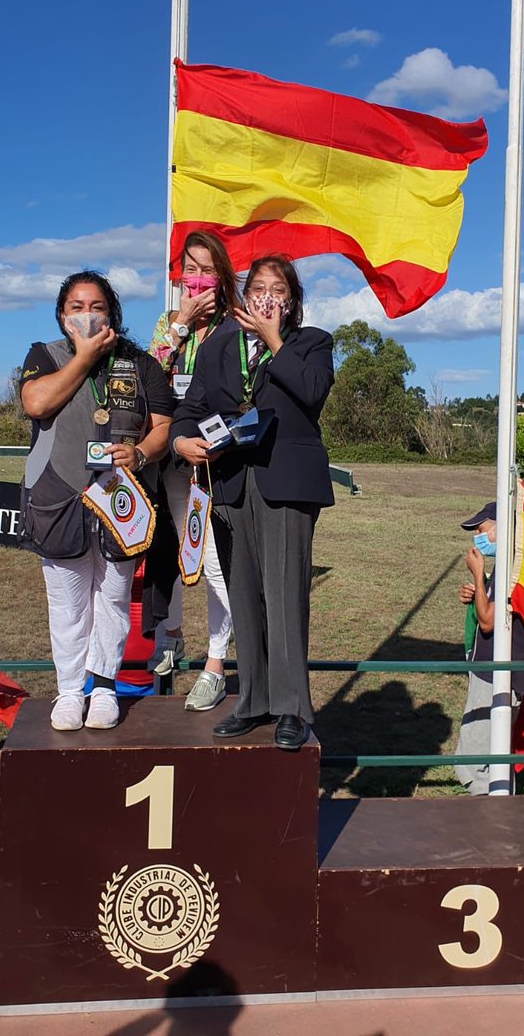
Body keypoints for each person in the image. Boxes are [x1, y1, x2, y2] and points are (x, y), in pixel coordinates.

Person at [170, 254, 334, 750]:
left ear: (291, 300)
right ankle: (254, 701)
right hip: (231, 483)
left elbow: (311, 392)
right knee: (243, 597)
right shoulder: (219, 344)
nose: (266, 295)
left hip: (287, 484)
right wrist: (181, 441)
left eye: (277, 289)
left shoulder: (311, 343)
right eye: (257, 286)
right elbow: (191, 408)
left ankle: (291, 708)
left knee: (285, 596)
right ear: (243, 295)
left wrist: (273, 338)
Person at [19, 271, 173, 732]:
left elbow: (164, 426)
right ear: (63, 317)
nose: (88, 315)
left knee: (112, 597)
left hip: (123, 498)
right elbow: (37, 403)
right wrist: (83, 358)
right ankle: (69, 692)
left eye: (97, 307)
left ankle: (103, 686)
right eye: (77, 308)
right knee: (68, 603)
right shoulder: (43, 355)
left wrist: (142, 452)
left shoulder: (141, 363)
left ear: (113, 312)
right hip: (58, 498)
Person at [147, 230, 240, 710]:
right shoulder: (170, 322)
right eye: (191, 268)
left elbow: (239, 394)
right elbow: (147, 377)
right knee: (171, 552)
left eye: (207, 270)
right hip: (170, 460)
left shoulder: (234, 326)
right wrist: (181, 323)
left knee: (213, 563)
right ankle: (173, 634)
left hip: (214, 462)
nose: (197, 279)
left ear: (222, 278)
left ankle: (216, 664)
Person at [454, 500, 524, 795]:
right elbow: (493, 612)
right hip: (498, 676)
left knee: (474, 764)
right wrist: (479, 591)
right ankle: (502, 817)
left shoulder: (509, 571)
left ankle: (489, 826)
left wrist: (477, 573)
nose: (476, 534)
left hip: (496, 678)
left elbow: (488, 623)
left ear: (502, 528)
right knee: (495, 759)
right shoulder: (510, 566)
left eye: (481, 528)